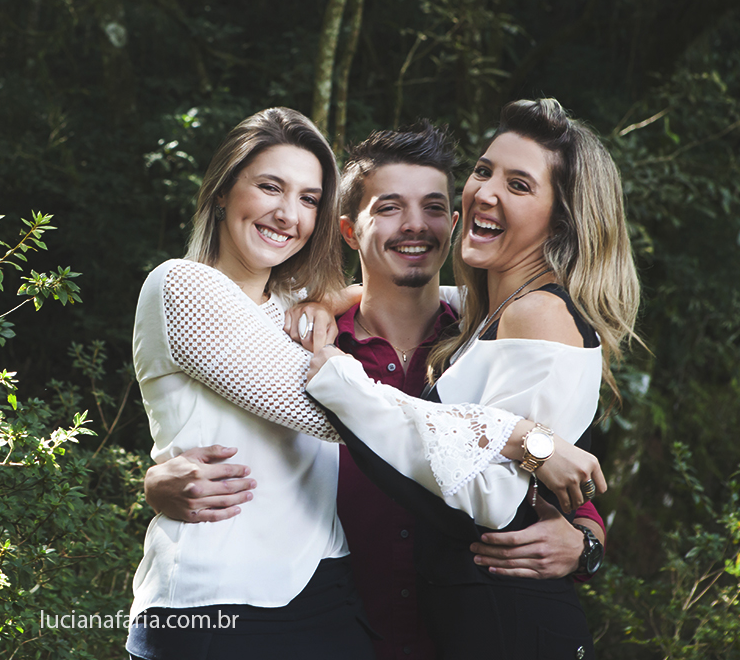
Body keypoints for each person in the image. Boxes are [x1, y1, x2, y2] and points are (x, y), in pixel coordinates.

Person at [127, 106, 600, 660]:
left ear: (452, 223)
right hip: (306, 618)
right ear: (349, 230)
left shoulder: (490, 339)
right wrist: (514, 435)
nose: (415, 226)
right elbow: (325, 414)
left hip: (444, 632)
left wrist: (586, 539)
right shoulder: (313, 347)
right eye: (390, 208)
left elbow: (570, 461)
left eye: (308, 198)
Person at [306, 100, 639, 658]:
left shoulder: (534, 316)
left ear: (561, 219)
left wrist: (586, 539)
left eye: (519, 184)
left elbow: (524, 485)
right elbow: (532, 453)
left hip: (499, 628)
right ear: (349, 230)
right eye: (484, 171)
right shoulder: (475, 330)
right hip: (358, 634)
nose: (486, 191)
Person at [126, 106, 372, 660]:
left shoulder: (296, 307)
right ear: (221, 191)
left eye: (309, 199)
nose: (288, 214)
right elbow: (341, 416)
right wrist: (519, 440)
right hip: (215, 605)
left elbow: (423, 301)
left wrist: (329, 298)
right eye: (269, 187)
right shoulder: (181, 287)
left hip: (328, 590)